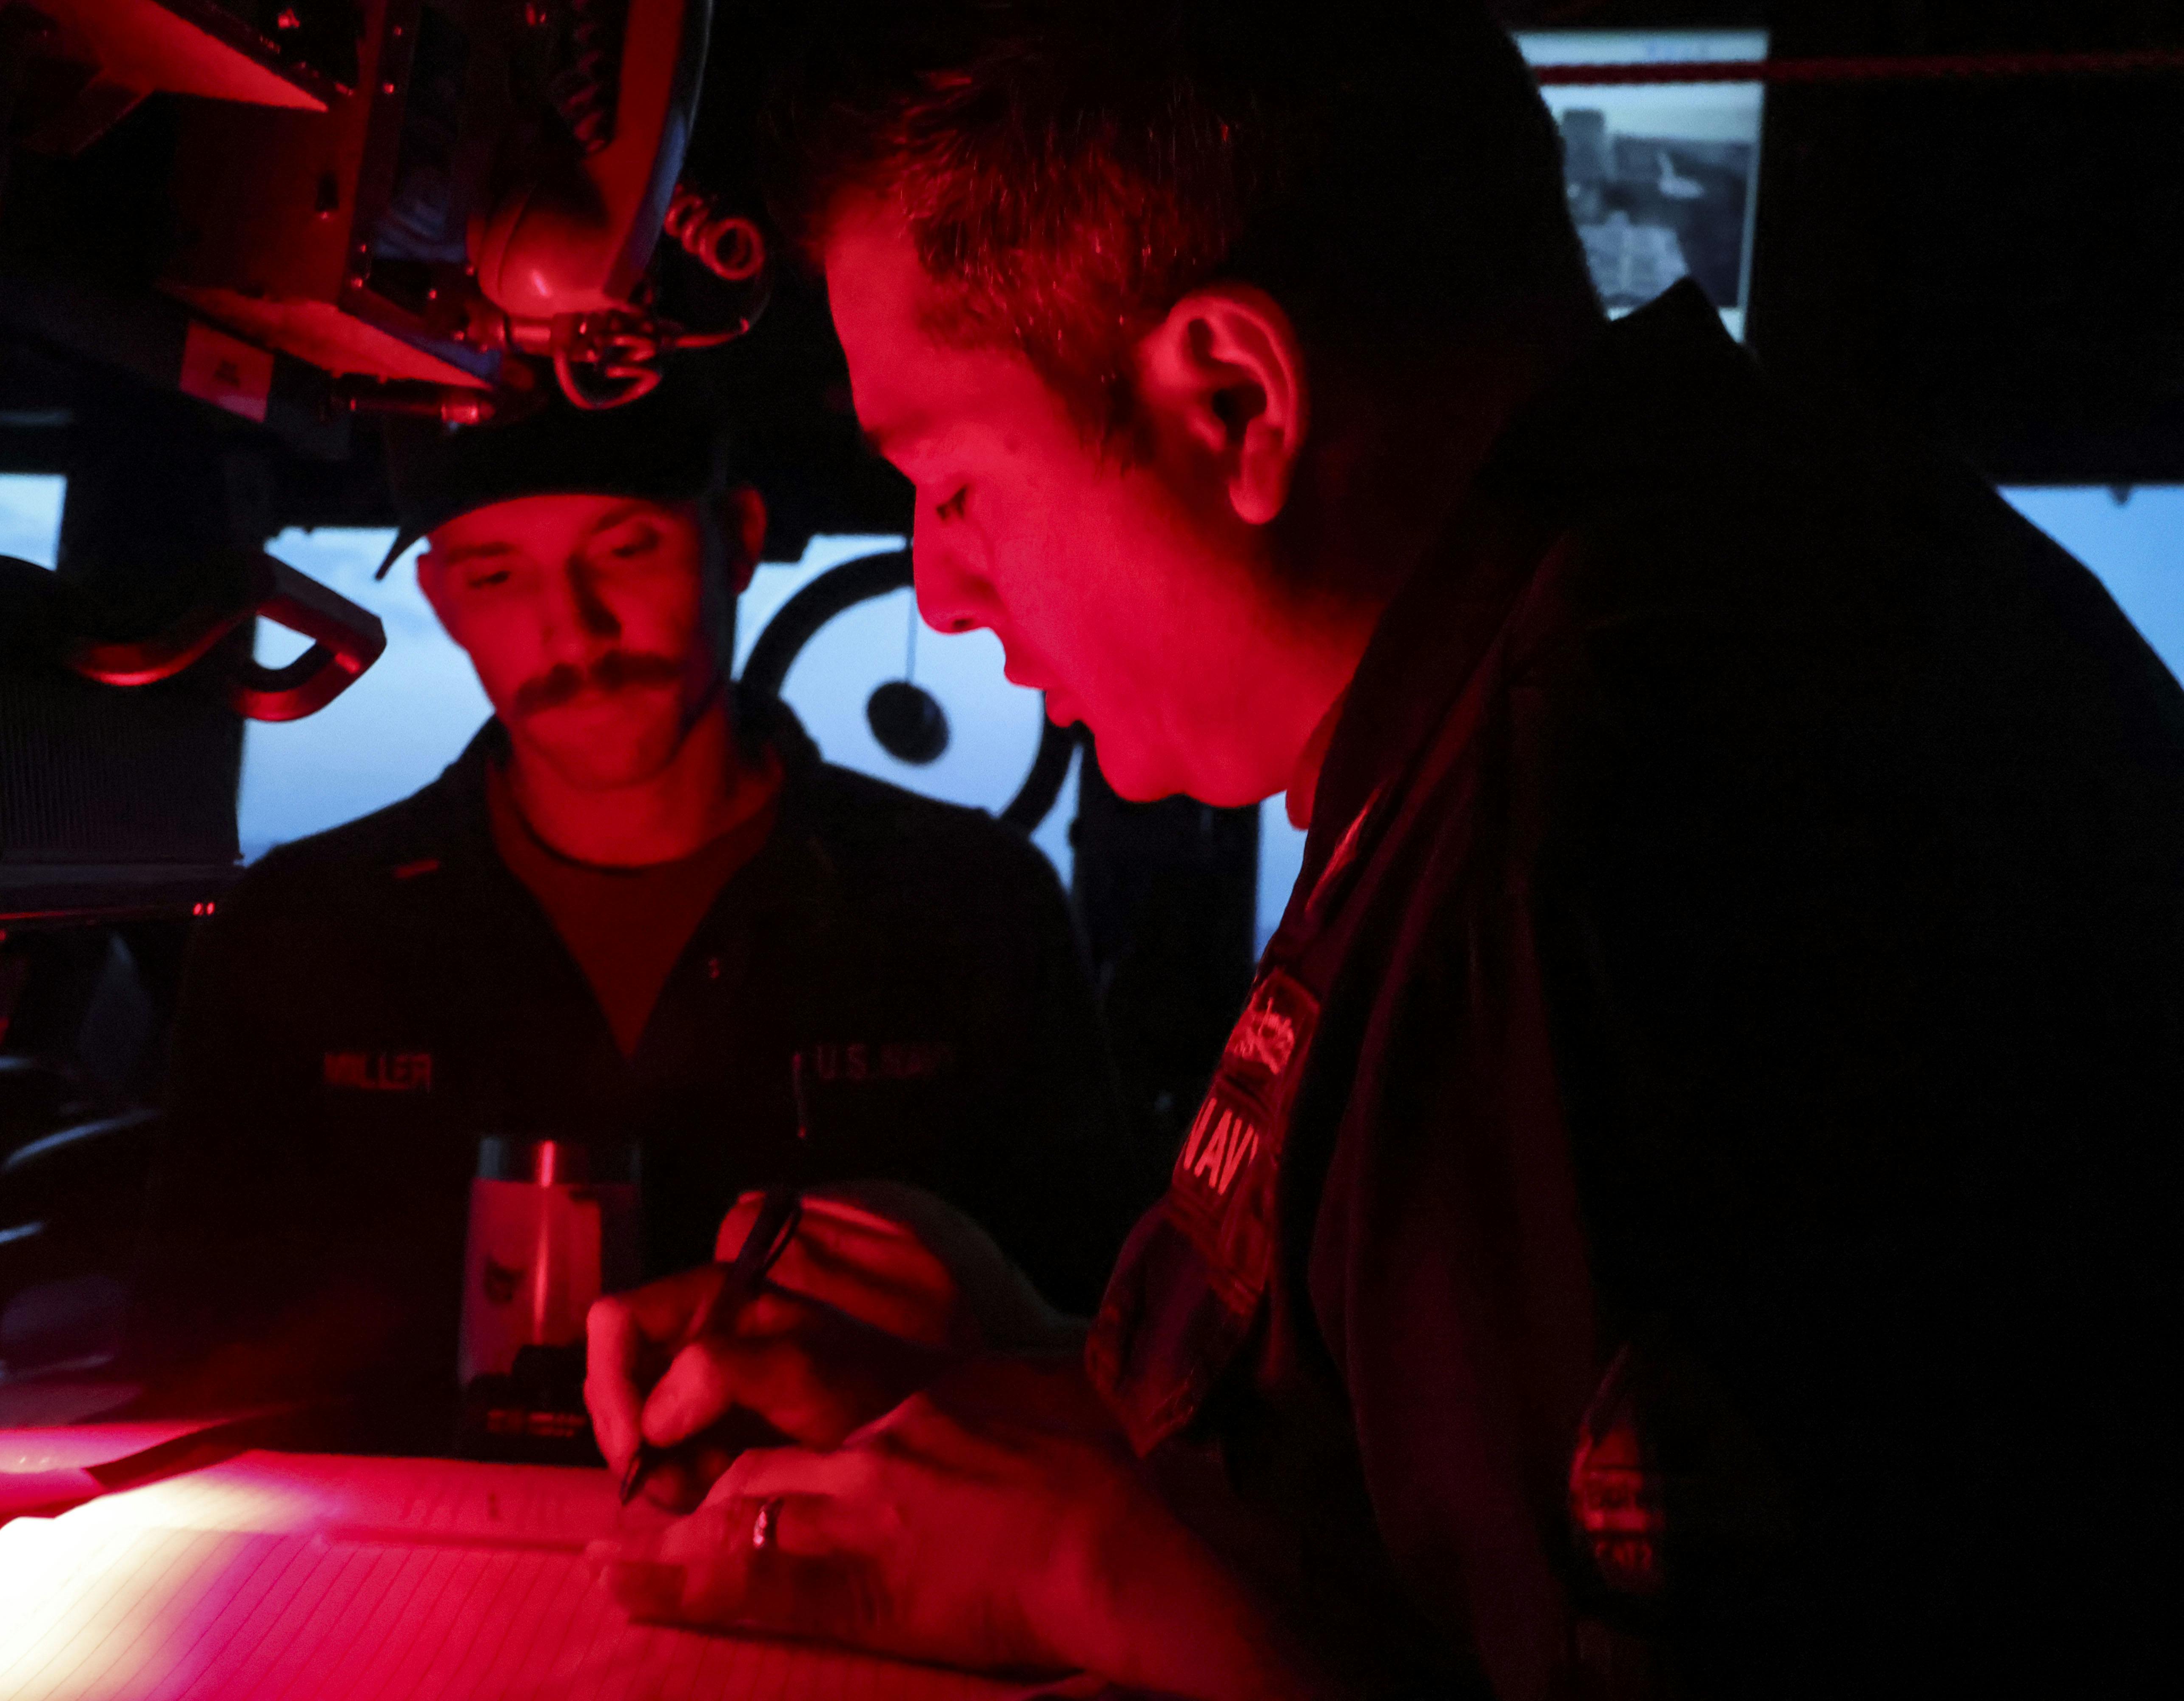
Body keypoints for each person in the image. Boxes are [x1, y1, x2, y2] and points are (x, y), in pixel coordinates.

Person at [581, 4, 2184, 1697]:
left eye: (956, 483)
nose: (944, 590)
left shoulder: (1616, 817)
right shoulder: (1718, 583)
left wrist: (1081, 1563)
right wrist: (1042, 1379)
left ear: (1233, 401)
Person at [133, 378, 1138, 1458]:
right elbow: (183, 1358)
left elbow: (1106, 1366)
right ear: (440, 597)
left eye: (625, 550)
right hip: (389, 1591)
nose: (574, 627)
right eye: (496, 573)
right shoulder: (295, 932)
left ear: (739, 540)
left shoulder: (973, 906)